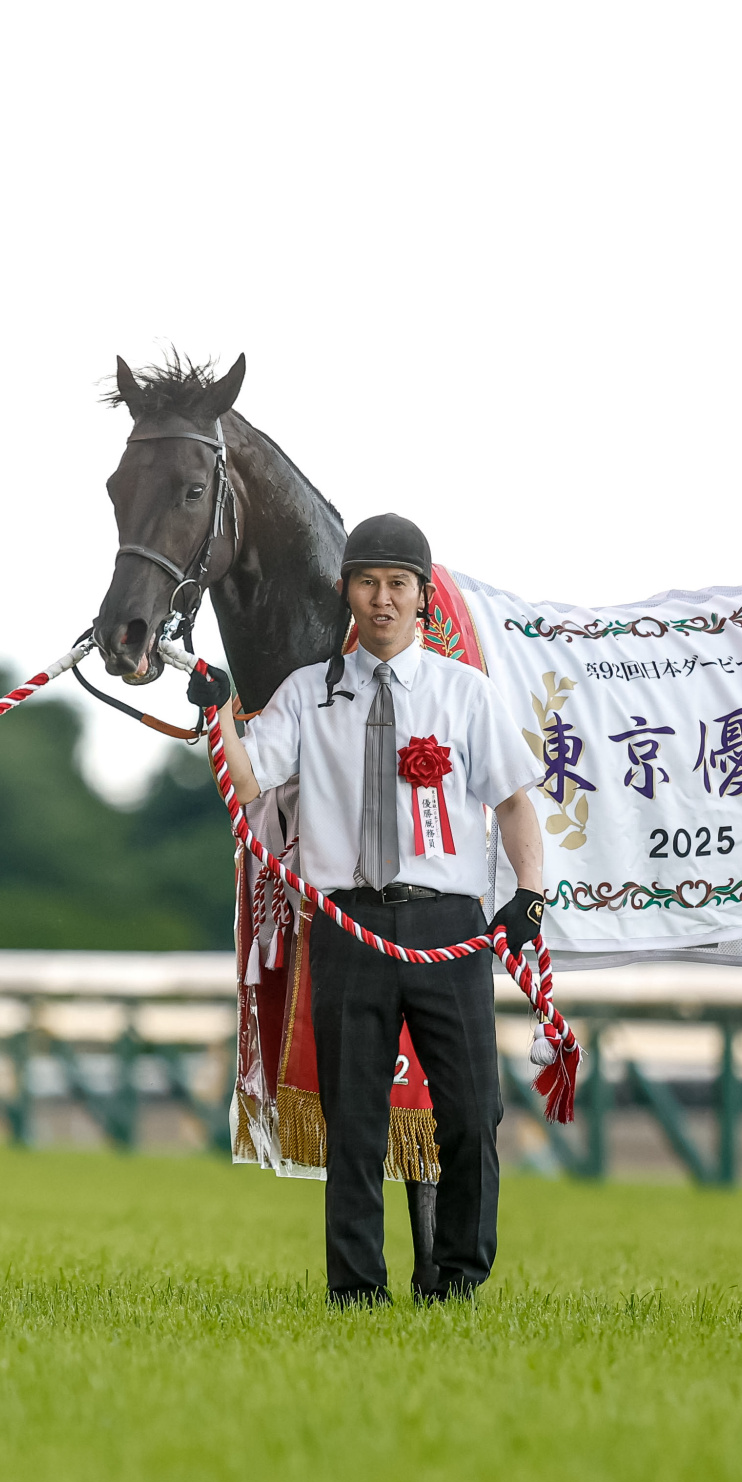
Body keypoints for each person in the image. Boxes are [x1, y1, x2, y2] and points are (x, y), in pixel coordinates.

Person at [212, 513, 547, 1306]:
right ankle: (356, 1285)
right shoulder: (307, 694)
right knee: (354, 1121)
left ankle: (459, 1279)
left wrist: (529, 894)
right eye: (368, 582)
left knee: (472, 1112)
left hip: (448, 925)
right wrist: (218, 717)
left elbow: (513, 801)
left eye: (399, 584)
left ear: (423, 597)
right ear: (345, 592)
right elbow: (252, 785)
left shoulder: (467, 694)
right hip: (347, 925)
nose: (383, 599)